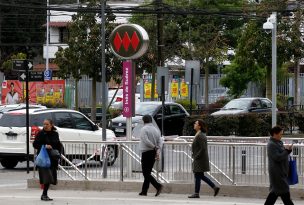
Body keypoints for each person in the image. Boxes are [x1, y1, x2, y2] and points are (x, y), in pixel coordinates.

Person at [188, 120, 220, 198]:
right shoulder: (198, 134)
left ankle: (197, 193)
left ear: (199, 126)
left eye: (195, 123)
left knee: (198, 175)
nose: (194, 124)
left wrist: (196, 156)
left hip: (200, 159)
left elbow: (203, 148)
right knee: (200, 175)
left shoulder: (200, 135)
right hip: (199, 158)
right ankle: (214, 187)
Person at [33, 119, 62, 201]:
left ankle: (44, 194)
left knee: (51, 177)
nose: (45, 126)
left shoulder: (55, 134)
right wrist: (44, 145)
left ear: (51, 125)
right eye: (44, 124)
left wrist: (59, 154)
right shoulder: (41, 133)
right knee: (47, 177)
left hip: (52, 159)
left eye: (47, 124)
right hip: (44, 159)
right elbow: (35, 144)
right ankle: (44, 194)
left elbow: (58, 144)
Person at [264, 125, 294, 205]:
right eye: (280, 134)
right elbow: (277, 157)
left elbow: (282, 154)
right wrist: (287, 151)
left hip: (281, 172)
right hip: (277, 173)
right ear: (275, 134)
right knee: (285, 193)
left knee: (275, 193)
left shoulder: (278, 142)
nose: (281, 136)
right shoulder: (271, 144)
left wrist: (287, 150)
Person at [139, 115, 163, 197]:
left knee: (145, 173)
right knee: (148, 172)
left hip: (146, 152)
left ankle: (158, 186)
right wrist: (157, 149)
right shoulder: (156, 130)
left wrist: (154, 146)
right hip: (153, 152)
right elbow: (160, 140)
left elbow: (145, 140)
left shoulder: (144, 129)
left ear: (143, 121)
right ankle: (144, 190)